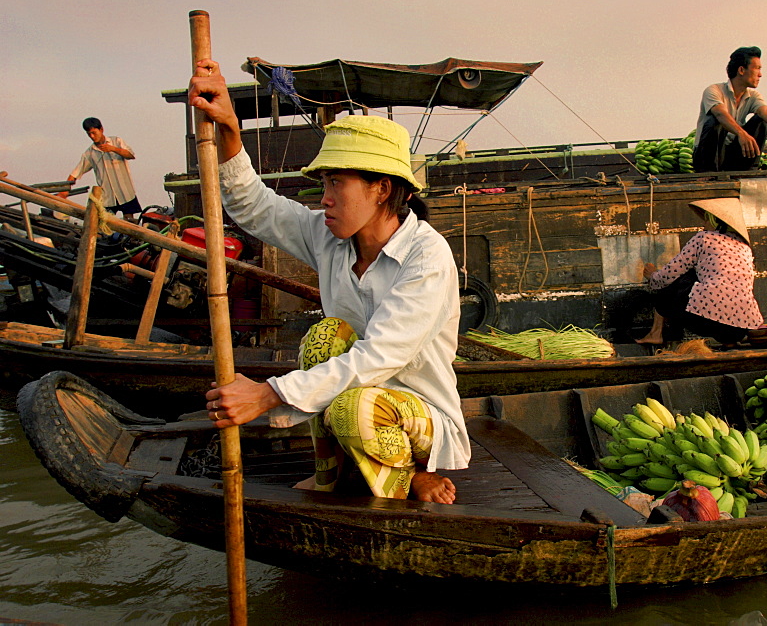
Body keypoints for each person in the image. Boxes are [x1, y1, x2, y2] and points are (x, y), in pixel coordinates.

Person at [188, 59, 469, 504]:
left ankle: (407, 478)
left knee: (356, 407)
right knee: (324, 337)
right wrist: (228, 128)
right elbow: (255, 206)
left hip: (417, 416)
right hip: (352, 405)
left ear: (381, 188)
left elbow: (377, 357)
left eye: (337, 183)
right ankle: (332, 474)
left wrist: (266, 394)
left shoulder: (426, 257)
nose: (325, 198)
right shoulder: (330, 237)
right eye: (324, 183)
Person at [638, 198, 763, 346]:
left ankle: (655, 333)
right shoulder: (745, 247)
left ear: (716, 222)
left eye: (706, 220)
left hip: (705, 318)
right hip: (744, 325)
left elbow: (671, 272)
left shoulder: (704, 238)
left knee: (677, 280)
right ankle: (729, 343)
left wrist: (653, 276)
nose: (703, 224)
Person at [692, 47, 767, 173]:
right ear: (741, 70)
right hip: (708, 157)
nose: (760, 74)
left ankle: (750, 169)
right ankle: (709, 173)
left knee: (762, 121)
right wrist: (741, 133)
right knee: (716, 121)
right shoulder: (714, 91)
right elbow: (720, 113)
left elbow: (766, 112)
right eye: (757, 68)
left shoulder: (753, 96)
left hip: (732, 155)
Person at [66, 117, 141, 220]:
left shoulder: (116, 141)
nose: (92, 136)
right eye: (89, 134)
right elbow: (77, 172)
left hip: (125, 192)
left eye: (94, 133)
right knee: (106, 224)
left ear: (101, 130)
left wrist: (113, 149)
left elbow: (131, 155)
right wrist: (65, 189)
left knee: (129, 220)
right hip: (107, 197)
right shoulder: (90, 153)